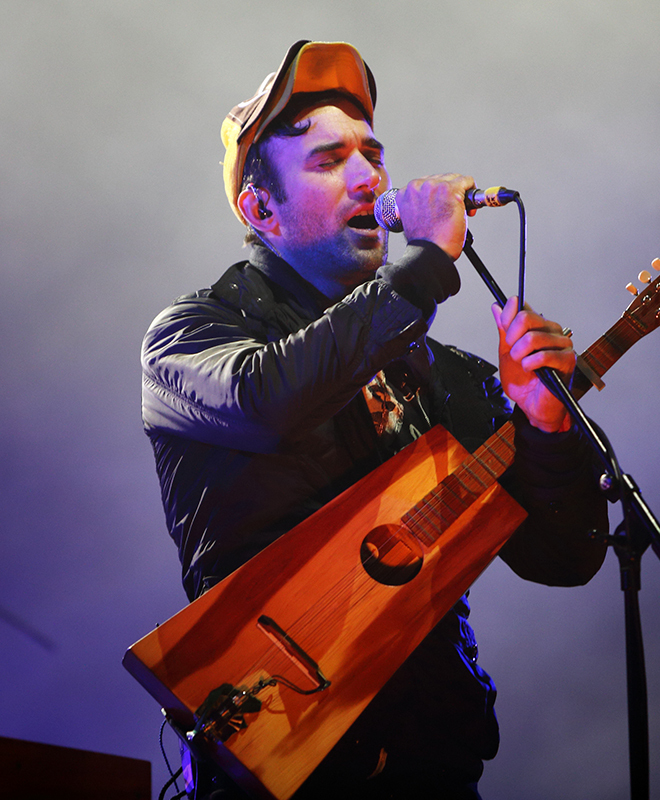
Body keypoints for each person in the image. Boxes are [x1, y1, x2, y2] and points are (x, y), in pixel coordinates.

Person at [140, 40, 609, 800]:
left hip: (435, 769)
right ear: (261, 210)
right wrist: (423, 269)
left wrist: (547, 429)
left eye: (373, 155)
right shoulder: (194, 335)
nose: (369, 178)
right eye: (330, 161)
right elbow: (267, 404)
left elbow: (562, 557)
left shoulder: (441, 371)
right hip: (284, 759)